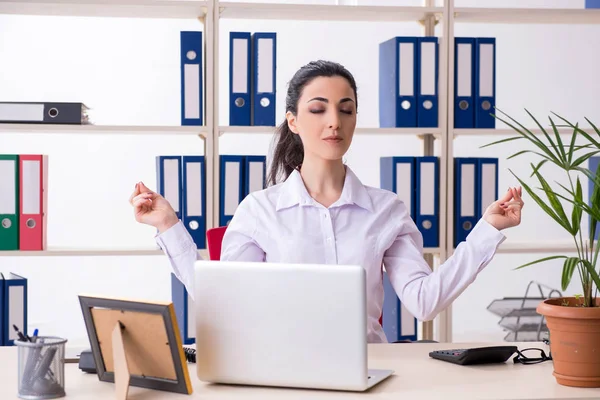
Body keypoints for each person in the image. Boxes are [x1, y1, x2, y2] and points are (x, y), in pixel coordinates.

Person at [129, 60, 524, 343]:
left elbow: (424, 302)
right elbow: (225, 300)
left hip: (367, 369)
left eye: (345, 109)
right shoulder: (260, 209)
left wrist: (487, 230)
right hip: (281, 370)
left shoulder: (386, 209)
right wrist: (168, 225)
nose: (333, 120)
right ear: (294, 122)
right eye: (318, 109)